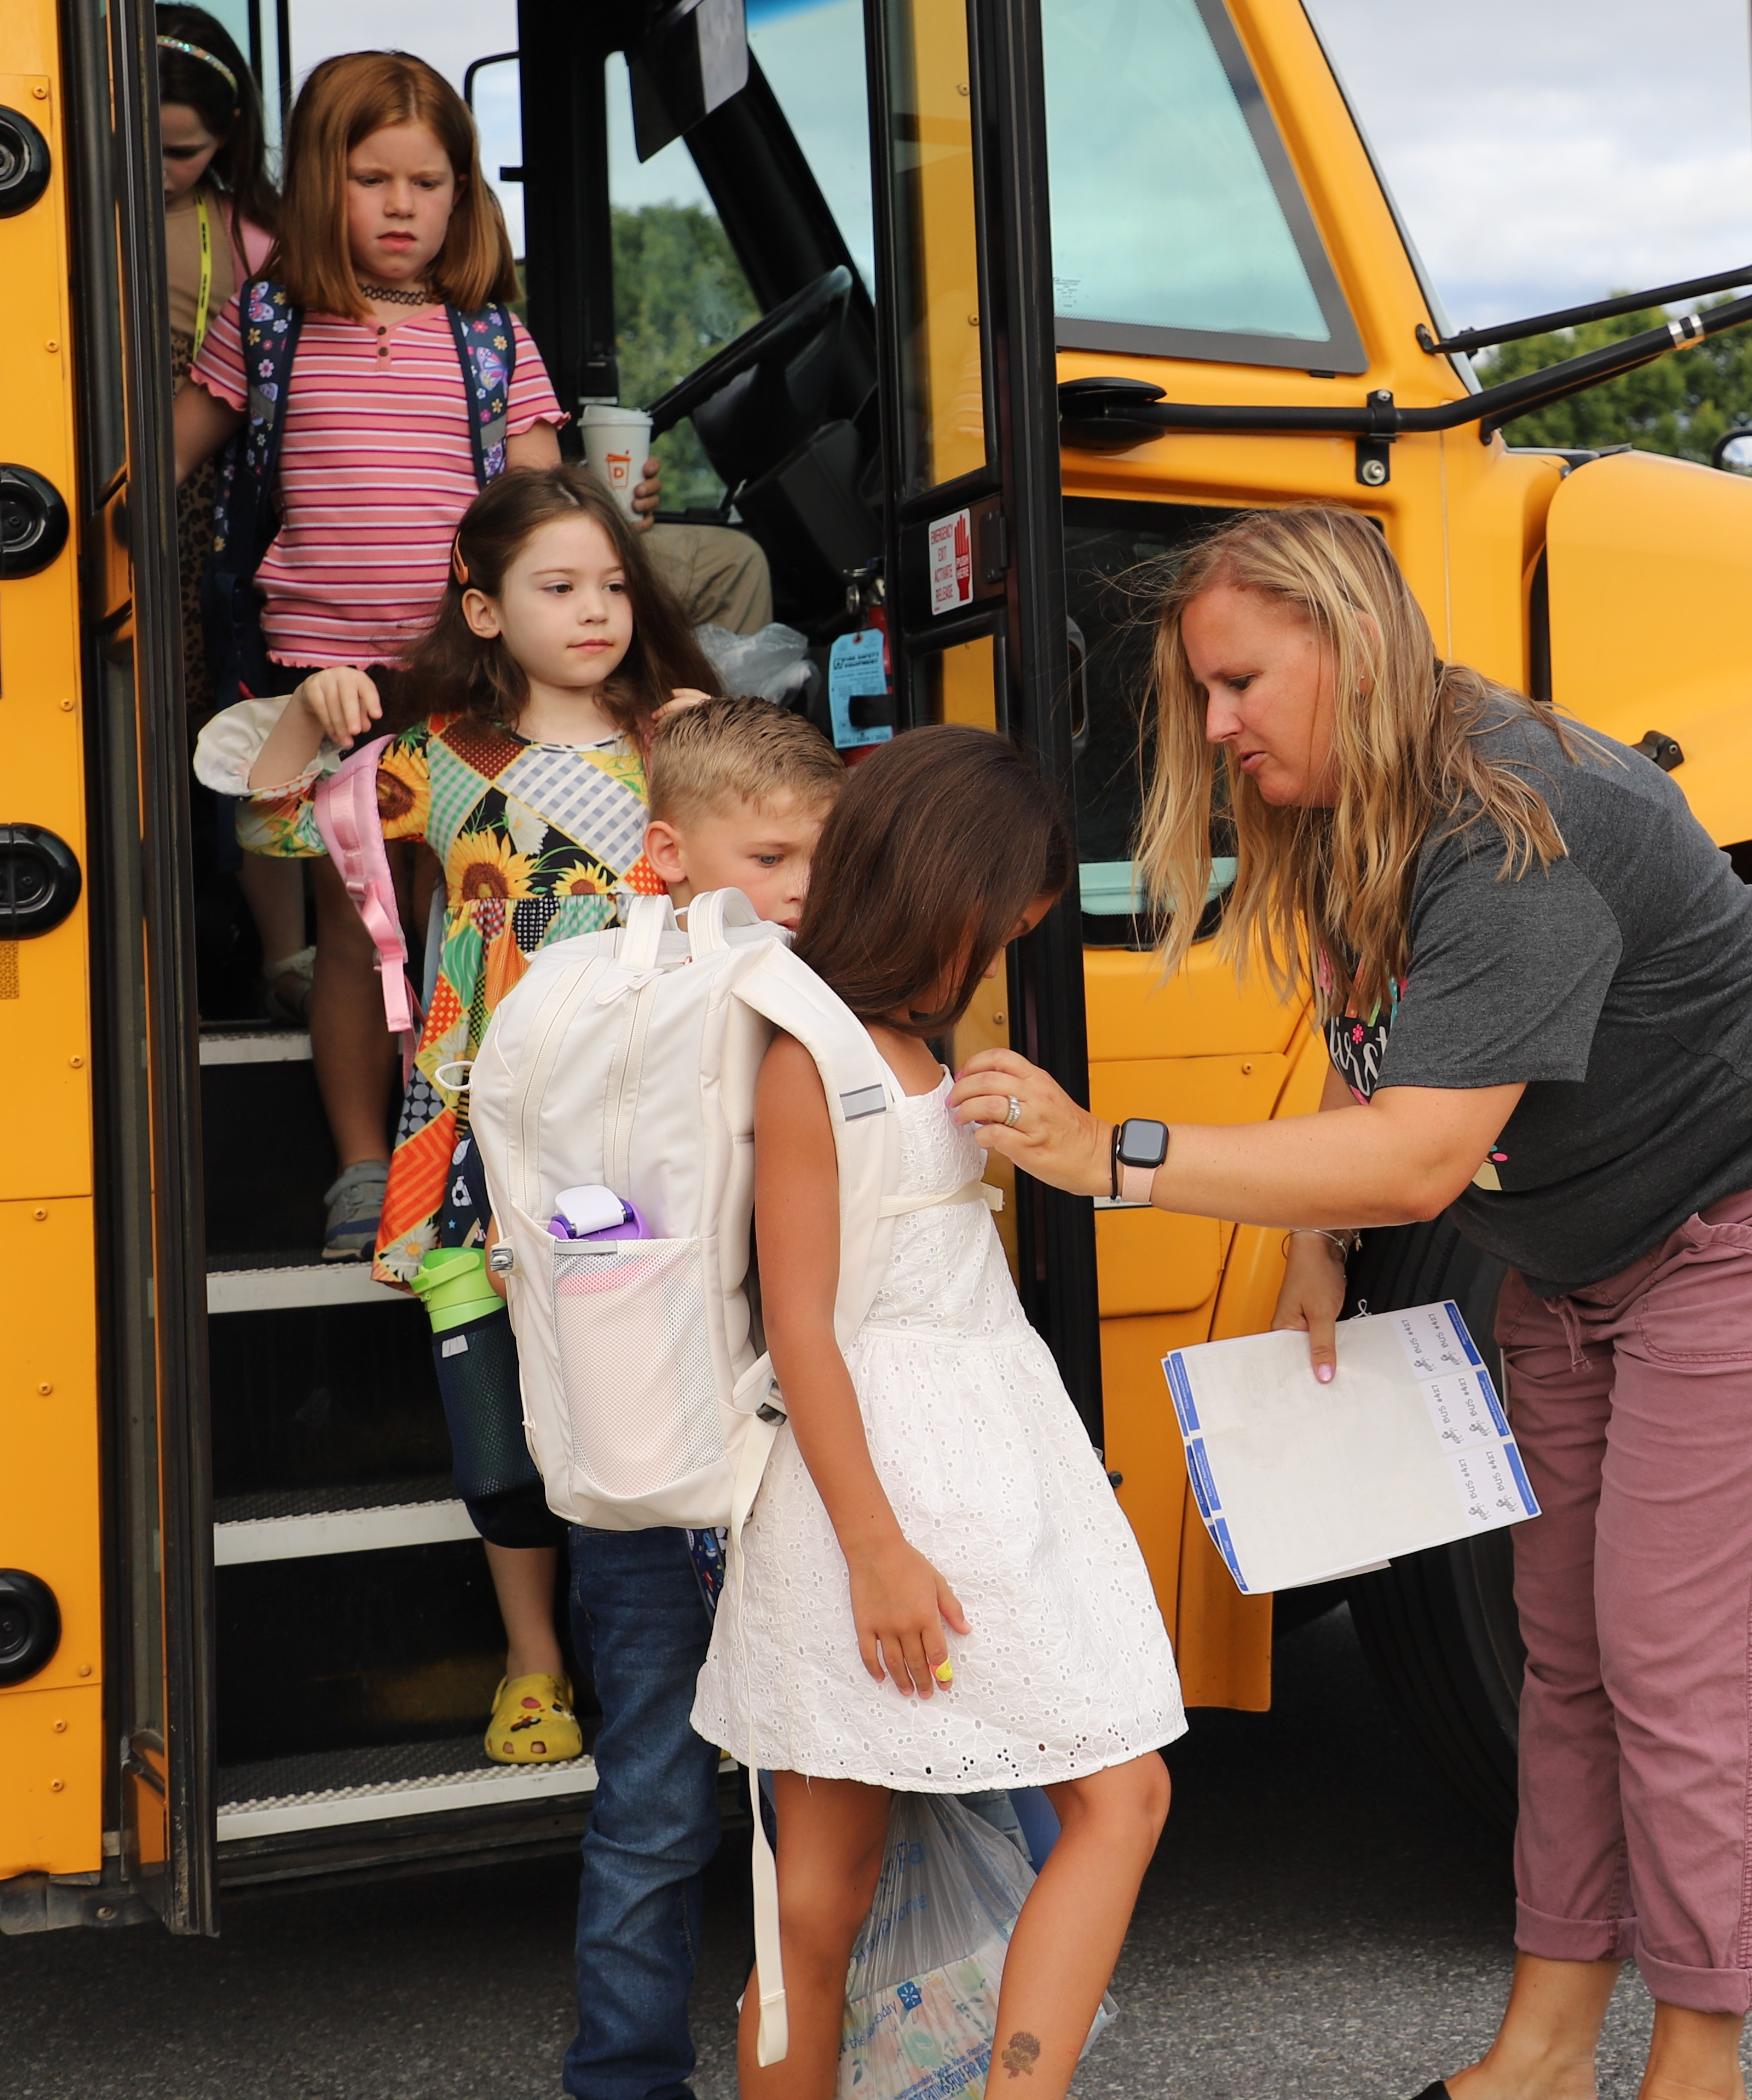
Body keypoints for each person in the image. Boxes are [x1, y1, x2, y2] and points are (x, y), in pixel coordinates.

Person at [949, 508, 1752, 2100]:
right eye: (1201, 691)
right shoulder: (1351, 799)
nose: (1215, 725)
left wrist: (1107, 1159)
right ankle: (1544, 2048)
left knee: (1693, 1661)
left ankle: (1697, 2067)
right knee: (1568, 1652)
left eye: (1241, 682)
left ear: (1347, 642)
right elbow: (1377, 1051)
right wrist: (1311, 1237)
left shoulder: (1513, 819)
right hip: (1581, 1239)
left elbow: (1413, 1159)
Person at [692, 726, 1181, 2100]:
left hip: (948, 1471)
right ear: (951, 883)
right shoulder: (821, 1052)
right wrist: (878, 1547)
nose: (1030, 920)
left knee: (821, 1901)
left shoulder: (894, 1037)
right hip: (905, 1492)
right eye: (1020, 895)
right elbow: (804, 1324)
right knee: (1105, 1798)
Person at [223, 466, 722, 1769]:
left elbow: (782, 869)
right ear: (484, 609)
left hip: (647, 1122)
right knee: (494, 1415)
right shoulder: (439, 752)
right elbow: (277, 829)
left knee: (664, 1388)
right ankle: (534, 1661)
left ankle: (700, 1654)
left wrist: (718, 744)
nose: (597, 610)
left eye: (613, 584)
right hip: (477, 1135)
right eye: (558, 587)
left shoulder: (680, 741)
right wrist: (303, 711)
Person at [175, 47, 579, 1262]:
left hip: (462, 678)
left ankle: (458, 1147)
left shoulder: (493, 341)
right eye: (372, 177)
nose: (403, 206)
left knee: (471, 914)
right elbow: (172, 451)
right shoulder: (270, 324)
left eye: (431, 180)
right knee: (359, 931)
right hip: (324, 679)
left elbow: (546, 513)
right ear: (315, 184)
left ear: (465, 194)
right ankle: (361, 1162)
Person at [557, 695, 841, 2100]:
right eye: (772, 858)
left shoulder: (610, 992)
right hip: (673, 1463)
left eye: (818, 866)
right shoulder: (626, 995)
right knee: (662, 1797)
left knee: (782, 1792)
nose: (800, 893)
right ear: (665, 852)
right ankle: (622, 2076)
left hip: (703, 1447)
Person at [153, 6, 304, 1016]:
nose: (161, 168)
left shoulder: (255, 240)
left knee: (234, 718)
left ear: (228, 145)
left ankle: (280, 952)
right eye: (145, 146)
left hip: (217, 509)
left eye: (185, 151)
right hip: (149, 486)